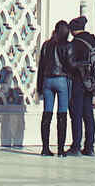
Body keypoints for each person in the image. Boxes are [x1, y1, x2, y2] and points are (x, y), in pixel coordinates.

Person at [34, 21, 73, 155]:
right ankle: (61, 149)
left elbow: (41, 67)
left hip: (47, 80)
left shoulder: (46, 45)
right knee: (62, 115)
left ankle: (45, 148)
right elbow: (70, 65)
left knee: (47, 114)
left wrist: (39, 87)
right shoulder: (67, 46)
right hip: (61, 80)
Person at [65, 15, 95, 156]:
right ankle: (90, 146)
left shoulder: (75, 43)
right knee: (88, 115)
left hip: (79, 81)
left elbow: (70, 63)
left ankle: (76, 146)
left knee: (76, 114)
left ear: (73, 30)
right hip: (90, 82)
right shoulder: (93, 41)